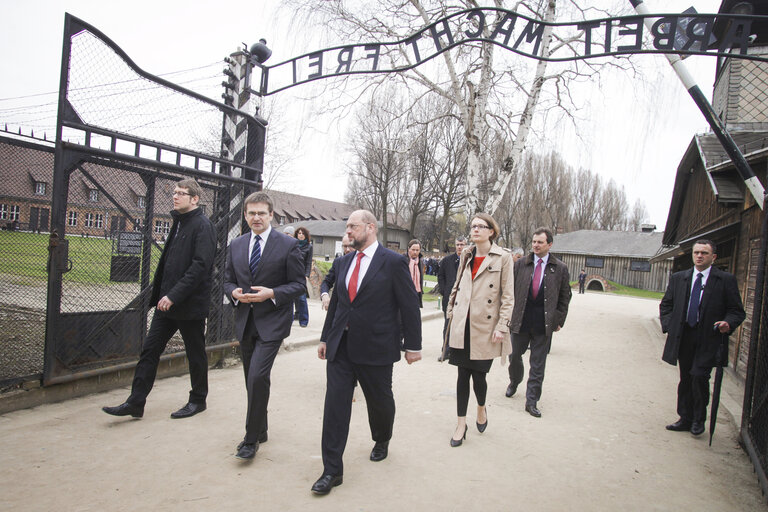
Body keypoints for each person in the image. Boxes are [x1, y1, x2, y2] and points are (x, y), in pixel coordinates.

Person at [311, 210, 422, 496]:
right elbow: (337, 303)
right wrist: (326, 338)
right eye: (347, 226)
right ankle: (331, 470)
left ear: (370, 228)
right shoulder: (345, 260)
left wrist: (413, 345)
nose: (347, 231)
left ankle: (382, 438)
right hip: (341, 347)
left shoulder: (394, 262)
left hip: (377, 347)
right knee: (335, 406)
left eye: (352, 226)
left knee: (380, 402)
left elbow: (409, 305)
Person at [102, 179, 216, 420]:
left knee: (195, 353)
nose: (175, 197)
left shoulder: (202, 225)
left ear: (194, 199)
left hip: (188, 305)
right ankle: (135, 402)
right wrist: (163, 294)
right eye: (174, 193)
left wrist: (173, 295)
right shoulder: (179, 222)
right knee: (149, 350)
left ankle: (198, 400)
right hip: (167, 304)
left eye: (181, 193)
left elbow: (200, 266)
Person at [223, 192, 306, 460]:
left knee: (257, 376)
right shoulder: (236, 244)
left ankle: (250, 440)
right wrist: (234, 292)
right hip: (245, 321)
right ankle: (262, 429)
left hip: (272, 322)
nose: (256, 217)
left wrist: (271, 293)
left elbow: (298, 285)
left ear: (271, 215)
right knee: (253, 379)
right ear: (245, 216)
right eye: (251, 213)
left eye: (261, 213)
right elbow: (226, 280)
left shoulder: (287, 245)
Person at [659, 239, 745, 436]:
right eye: (697, 252)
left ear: (713, 257)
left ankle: (699, 419)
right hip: (684, 336)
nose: (699, 256)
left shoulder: (724, 280)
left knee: (699, 376)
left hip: (708, 338)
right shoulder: (679, 278)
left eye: (704, 253)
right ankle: (684, 418)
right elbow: (666, 306)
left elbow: (736, 311)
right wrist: (670, 327)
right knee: (686, 378)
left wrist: (728, 323)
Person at [445, 214, 514, 446]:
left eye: (480, 226)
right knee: (461, 375)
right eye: (473, 226)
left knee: (479, 376)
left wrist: (502, 326)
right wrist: (450, 312)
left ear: (491, 231)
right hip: (462, 324)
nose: (475, 230)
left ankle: (481, 407)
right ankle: (460, 424)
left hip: (485, 327)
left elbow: (508, 297)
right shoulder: (466, 255)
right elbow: (456, 286)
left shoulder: (503, 258)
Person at [505, 227, 571, 418]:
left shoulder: (559, 268)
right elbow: (509, 291)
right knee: (514, 356)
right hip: (520, 319)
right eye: (534, 241)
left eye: (540, 242)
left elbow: (565, 296)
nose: (535, 245)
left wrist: (559, 319)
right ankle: (514, 380)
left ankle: (531, 400)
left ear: (549, 244)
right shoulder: (520, 265)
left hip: (543, 322)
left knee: (538, 363)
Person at [437, 236, 467, 361]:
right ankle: (446, 350)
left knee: (463, 325)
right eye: (458, 244)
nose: (460, 247)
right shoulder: (447, 260)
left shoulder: (469, 260)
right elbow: (441, 276)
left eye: (462, 244)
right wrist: (444, 291)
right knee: (448, 324)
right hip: (449, 298)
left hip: (465, 298)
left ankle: (459, 351)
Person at [320, 234, 353, 311]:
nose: (347, 249)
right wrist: (324, 294)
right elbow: (326, 282)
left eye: (350, 246)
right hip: (340, 310)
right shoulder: (338, 262)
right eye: (345, 246)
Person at [293, 226, 313, 327]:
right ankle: (295, 315)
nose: (300, 235)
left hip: (301, 274)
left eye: (302, 233)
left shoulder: (309, 246)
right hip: (292, 273)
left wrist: (307, 275)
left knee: (301, 297)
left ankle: (304, 320)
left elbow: (309, 262)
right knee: (291, 297)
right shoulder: (293, 244)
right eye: (299, 233)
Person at [406, 239, 425, 307]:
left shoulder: (420, 262)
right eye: (413, 249)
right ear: (408, 249)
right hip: (405, 293)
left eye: (417, 250)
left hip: (416, 293)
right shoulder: (403, 260)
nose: (415, 252)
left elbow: (421, 279)